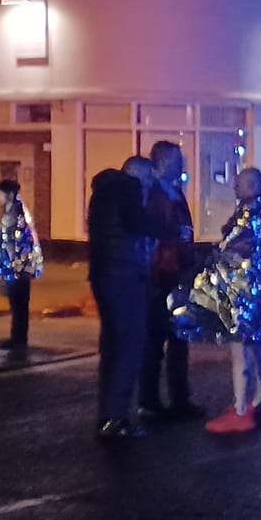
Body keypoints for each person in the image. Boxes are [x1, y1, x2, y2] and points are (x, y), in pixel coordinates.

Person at [174, 168, 261, 434]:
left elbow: (229, 246)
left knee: (239, 347)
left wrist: (207, 260)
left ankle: (240, 408)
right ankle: (260, 402)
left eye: (240, 183)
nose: (234, 187)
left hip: (242, 291)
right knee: (259, 345)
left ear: (253, 186)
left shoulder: (248, 215)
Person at [90, 156, 160, 439]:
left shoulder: (102, 193)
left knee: (112, 345)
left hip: (104, 274)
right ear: (137, 174)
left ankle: (107, 413)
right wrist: (169, 231)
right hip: (125, 275)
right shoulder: (128, 189)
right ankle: (116, 417)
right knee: (131, 344)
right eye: (148, 179)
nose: (149, 185)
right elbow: (137, 222)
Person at [140, 140, 201, 420]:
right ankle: (151, 402)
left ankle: (178, 400)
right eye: (177, 160)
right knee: (156, 342)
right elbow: (157, 236)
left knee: (178, 339)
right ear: (162, 162)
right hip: (161, 276)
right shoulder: (154, 195)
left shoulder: (172, 192)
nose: (182, 165)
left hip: (176, 274)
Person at [0, 178, 44, 354]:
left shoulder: (14, 212)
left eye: (1, 194)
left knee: (18, 304)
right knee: (18, 305)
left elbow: (9, 237)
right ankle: (17, 338)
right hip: (19, 265)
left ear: (9, 194)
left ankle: (18, 339)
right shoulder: (17, 209)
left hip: (18, 266)